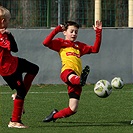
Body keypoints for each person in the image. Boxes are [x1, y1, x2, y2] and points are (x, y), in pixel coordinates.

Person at [42, 20, 102, 122]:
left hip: (76, 79)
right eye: (71, 31)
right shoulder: (61, 43)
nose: (74, 34)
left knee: (72, 109)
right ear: (65, 32)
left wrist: (98, 32)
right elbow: (45, 43)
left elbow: (95, 49)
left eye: (76, 32)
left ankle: (54, 116)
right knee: (72, 76)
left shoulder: (79, 46)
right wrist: (57, 30)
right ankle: (80, 80)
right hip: (67, 72)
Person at [0, 6, 39, 128]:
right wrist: (8, 36)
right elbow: (13, 48)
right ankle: (14, 121)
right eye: (8, 20)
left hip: (13, 62)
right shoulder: (1, 36)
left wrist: (9, 35)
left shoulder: (4, 34)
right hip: (8, 69)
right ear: (2, 21)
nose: (8, 22)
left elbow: (14, 50)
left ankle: (18, 98)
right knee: (21, 90)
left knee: (34, 68)